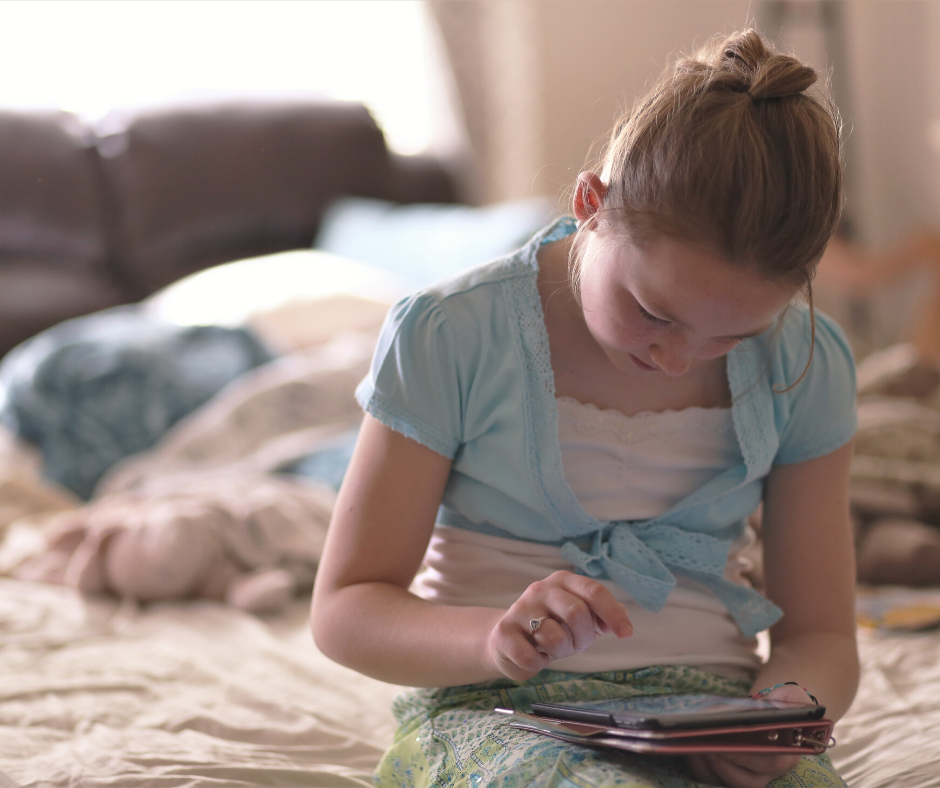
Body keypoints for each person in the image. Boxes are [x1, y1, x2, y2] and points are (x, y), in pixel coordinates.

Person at [311, 29, 858, 788]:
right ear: (590, 204)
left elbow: (823, 631)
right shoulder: (451, 334)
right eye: (654, 313)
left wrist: (784, 713)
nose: (676, 358)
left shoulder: (807, 362)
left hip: (711, 713)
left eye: (734, 334)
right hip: (496, 709)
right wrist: (494, 640)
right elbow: (345, 609)